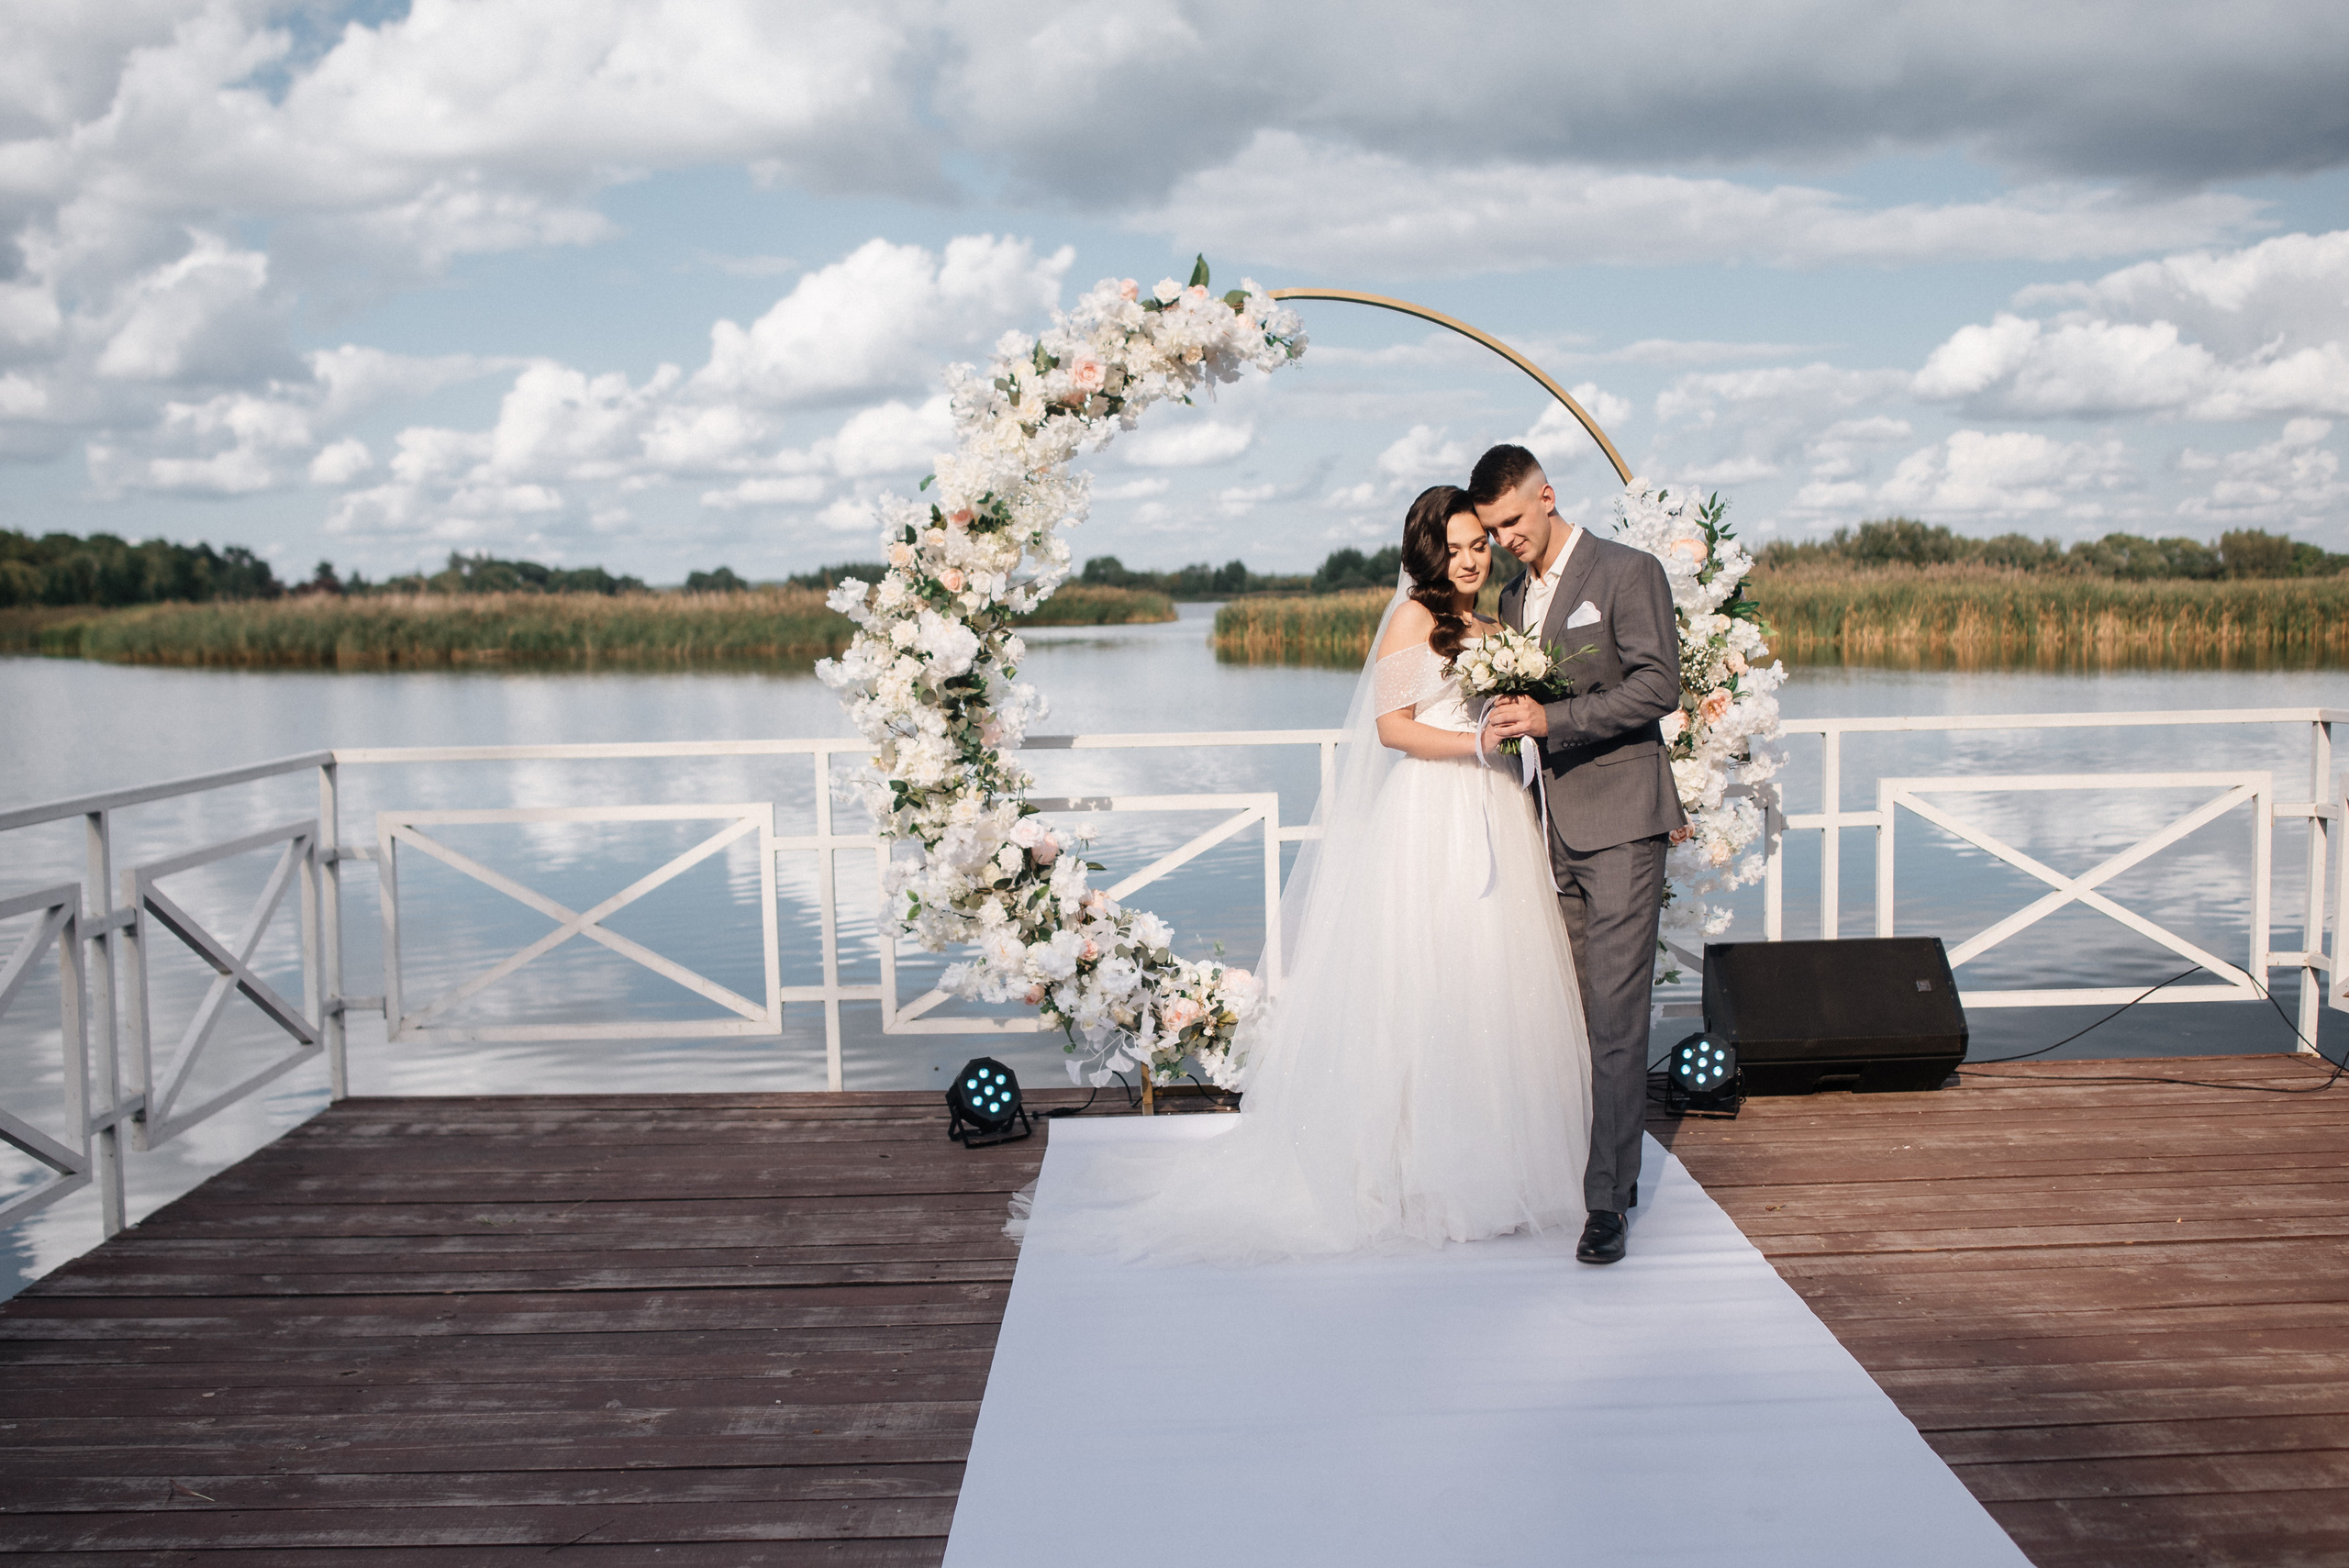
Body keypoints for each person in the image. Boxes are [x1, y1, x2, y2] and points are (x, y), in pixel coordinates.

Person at [1025, 485, 1593, 1265]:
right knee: (1428, 976)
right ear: (1428, 553)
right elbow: (1393, 730)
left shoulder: (1498, 625)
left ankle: (1501, 1160)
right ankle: (1413, 1166)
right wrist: (1476, 745)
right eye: (1455, 548)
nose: (1471, 560)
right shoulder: (1413, 619)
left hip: (1496, 809)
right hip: (1434, 811)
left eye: (1478, 545)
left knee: (1494, 975)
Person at [1475, 445, 1686, 1265]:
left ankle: (1607, 1202)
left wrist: (1551, 721)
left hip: (1623, 823)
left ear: (1547, 495)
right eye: (1493, 531)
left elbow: (1658, 685)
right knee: (1564, 1012)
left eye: (1512, 522)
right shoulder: (1512, 597)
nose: (1505, 541)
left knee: (1615, 1016)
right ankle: (1569, 1167)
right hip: (1546, 829)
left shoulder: (1628, 572)